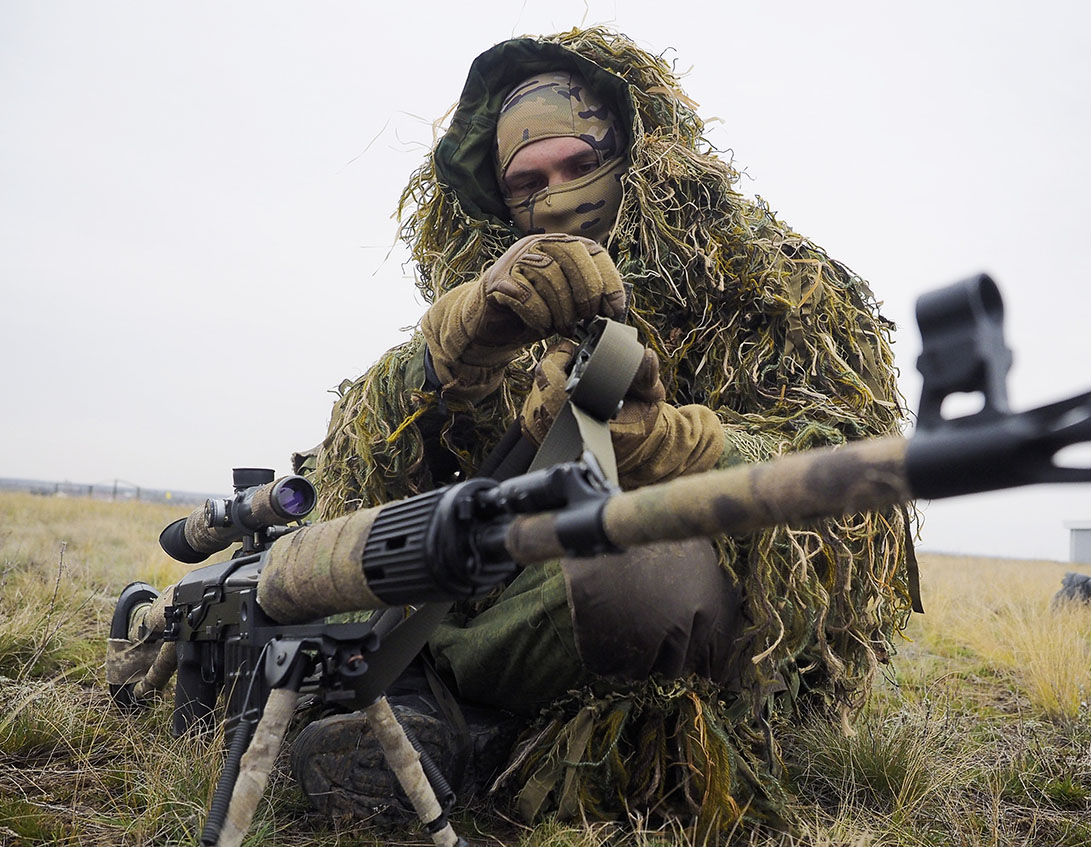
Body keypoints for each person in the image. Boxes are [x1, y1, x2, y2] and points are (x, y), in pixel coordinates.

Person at [291, 27, 917, 834]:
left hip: (689, 613)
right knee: (356, 555)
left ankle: (431, 703)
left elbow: (855, 492)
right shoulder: (499, 291)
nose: (555, 195)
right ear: (500, 199)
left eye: (579, 165)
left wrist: (683, 447)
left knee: (637, 557)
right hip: (490, 585)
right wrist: (452, 363)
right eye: (528, 181)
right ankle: (424, 709)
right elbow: (367, 480)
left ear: (630, 154)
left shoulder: (770, 288)